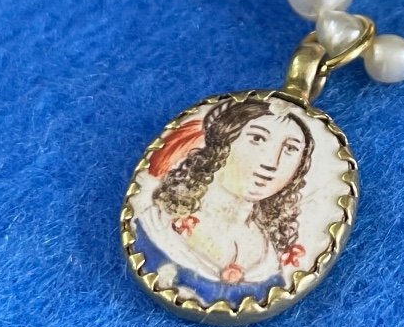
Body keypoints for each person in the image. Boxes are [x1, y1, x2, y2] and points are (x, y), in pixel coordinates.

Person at [133, 99, 314, 307]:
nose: (271, 163)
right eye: (257, 138)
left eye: (290, 149)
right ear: (223, 143)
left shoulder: (269, 260)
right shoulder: (157, 225)